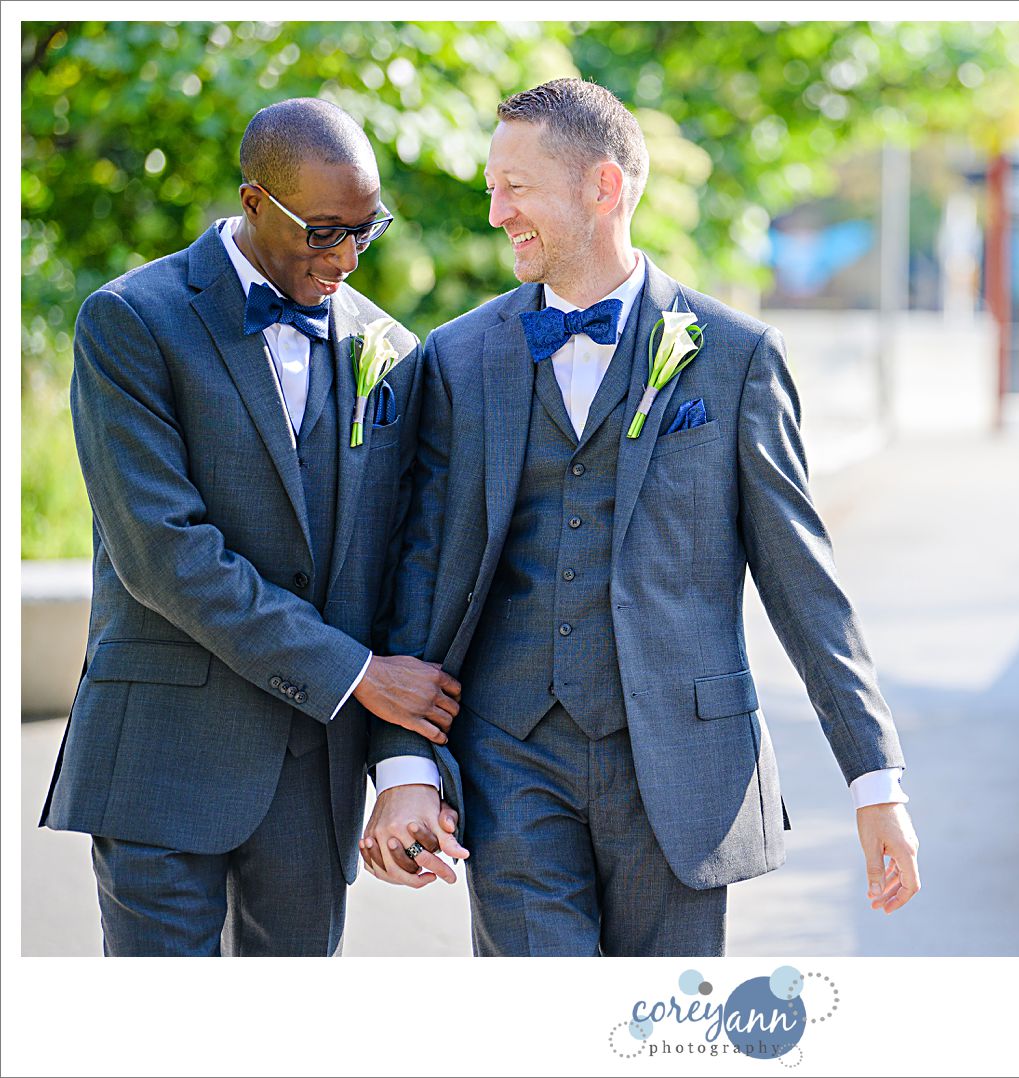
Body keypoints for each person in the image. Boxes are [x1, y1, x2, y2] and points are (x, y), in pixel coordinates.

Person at [364, 79, 920, 956]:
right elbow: (419, 574)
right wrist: (402, 766)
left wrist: (874, 779)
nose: (495, 211)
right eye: (491, 186)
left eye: (517, 188)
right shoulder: (460, 359)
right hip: (510, 759)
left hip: (684, 768)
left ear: (603, 188)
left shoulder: (735, 359)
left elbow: (802, 579)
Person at [40, 98, 463, 956]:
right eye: (323, 232)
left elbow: (402, 572)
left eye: (365, 231)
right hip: (162, 756)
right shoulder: (131, 320)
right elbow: (162, 554)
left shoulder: (391, 349)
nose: (346, 258)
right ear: (255, 201)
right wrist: (351, 673)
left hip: (313, 781)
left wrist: (402, 767)